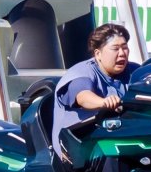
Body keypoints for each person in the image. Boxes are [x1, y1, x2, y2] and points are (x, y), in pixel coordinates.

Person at [51, 24, 144, 167]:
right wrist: (103, 102)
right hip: (79, 151)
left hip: (120, 139)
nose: (122, 53)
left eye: (125, 47)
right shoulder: (82, 72)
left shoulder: (133, 70)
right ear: (98, 54)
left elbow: (150, 82)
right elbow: (83, 97)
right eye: (115, 48)